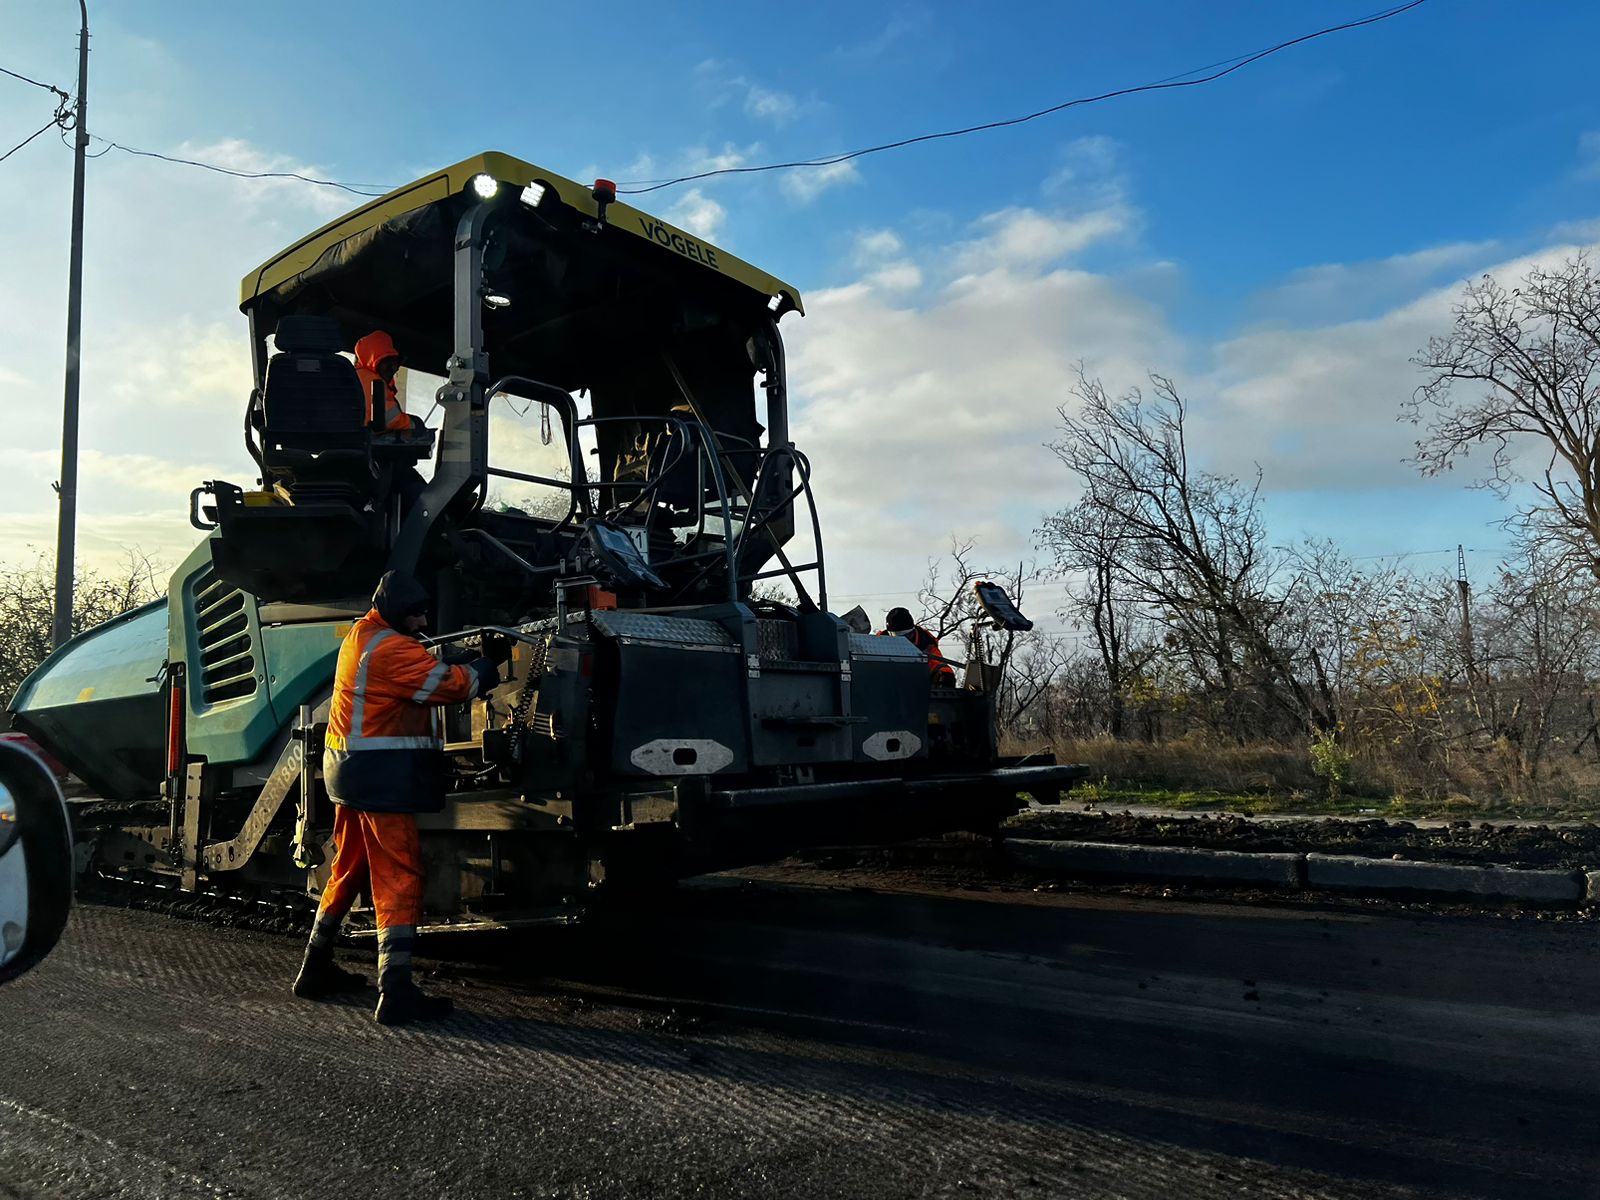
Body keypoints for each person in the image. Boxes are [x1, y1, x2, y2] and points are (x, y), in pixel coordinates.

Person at [291, 570, 497, 1026]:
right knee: (400, 875)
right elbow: (451, 687)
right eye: (418, 615)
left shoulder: (364, 635)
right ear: (398, 612)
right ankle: (396, 990)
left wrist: (449, 657)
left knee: (347, 868)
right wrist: (485, 667)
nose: (424, 621)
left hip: (350, 777)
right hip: (380, 781)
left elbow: (417, 665)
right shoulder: (391, 648)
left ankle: (314, 966)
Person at [881, 607, 956, 686]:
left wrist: (945, 674)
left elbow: (937, 663)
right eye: (896, 636)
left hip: (917, 686)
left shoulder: (926, 643)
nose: (902, 641)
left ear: (912, 631)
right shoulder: (879, 642)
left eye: (906, 635)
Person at [353, 330, 411, 432]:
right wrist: (413, 423)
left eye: (396, 363)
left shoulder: (356, 376)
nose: (394, 368)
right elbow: (391, 420)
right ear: (373, 359)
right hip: (361, 444)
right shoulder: (371, 381)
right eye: (387, 361)